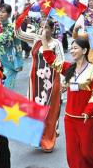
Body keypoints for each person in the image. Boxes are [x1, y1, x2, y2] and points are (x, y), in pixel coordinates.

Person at [42, 33, 93, 168]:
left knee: (88, 154)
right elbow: (51, 59)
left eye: (75, 48)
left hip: (88, 119)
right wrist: (43, 40)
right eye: (71, 48)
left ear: (85, 50)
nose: (72, 50)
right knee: (73, 156)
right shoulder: (69, 68)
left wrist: (87, 111)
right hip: (70, 119)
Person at [15, 19, 64, 152]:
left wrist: (64, 82)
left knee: (49, 111)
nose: (43, 29)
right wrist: (18, 20)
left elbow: (61, 62)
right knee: (34, 110)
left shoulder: (56, 44)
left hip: (51, 82)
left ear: (52, 30)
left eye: (47, 27)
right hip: (35, 81)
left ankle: (48, 140)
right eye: (41, 27)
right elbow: (18, 34)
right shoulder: (35, 39)